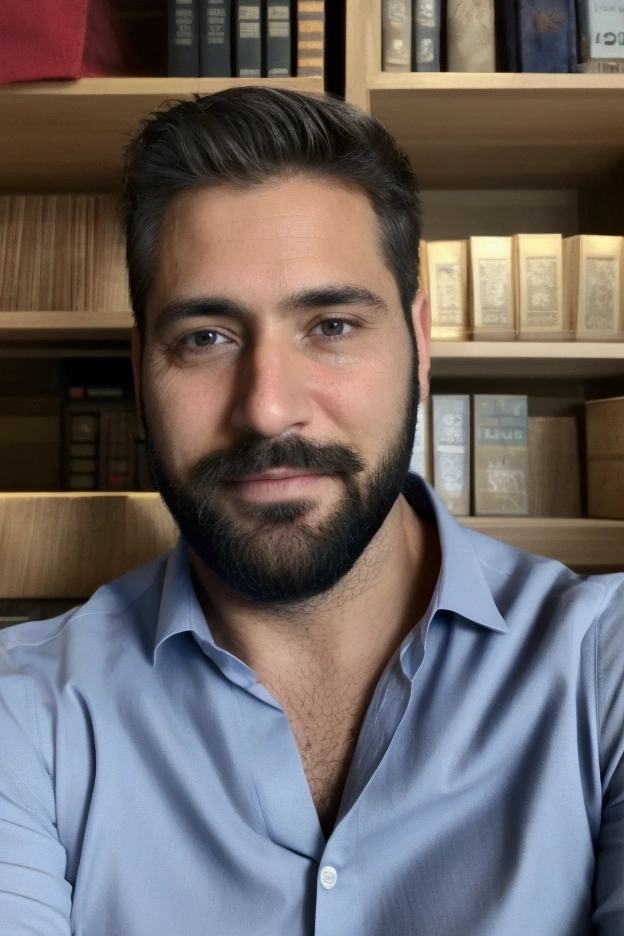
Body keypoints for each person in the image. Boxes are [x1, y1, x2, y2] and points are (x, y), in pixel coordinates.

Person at [0, 87, 622, 936]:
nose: (266, 408)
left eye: (331, 324)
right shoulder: (21, 711)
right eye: (206, 337)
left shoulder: (606, 670)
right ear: (141, 368)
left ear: (419, 346)